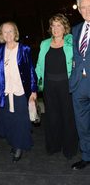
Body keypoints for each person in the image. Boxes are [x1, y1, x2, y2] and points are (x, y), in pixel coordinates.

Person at [0, 21, 37, 162]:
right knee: (8, 120)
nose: (8, 34)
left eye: (10, 31)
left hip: (21, 91)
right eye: (5, 32)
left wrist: (33, 91)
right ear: (1, 35)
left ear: (15, 33)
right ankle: (15, 142)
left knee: (20, 121)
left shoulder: (24, 49)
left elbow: (31, 71)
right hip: (5, 93)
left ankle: (18, 147)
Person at [35, 14, 78, 159]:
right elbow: (39, 65)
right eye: (53, 25)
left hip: (66, 85)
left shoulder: (71, 41)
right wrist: (35, 84)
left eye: (59, 25)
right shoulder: (44, 43)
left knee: (67, 117)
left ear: (65, 27)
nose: (56, 28)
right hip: (49, 86)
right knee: (52, 117)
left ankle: (69, 148)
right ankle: (54, 145)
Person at [69, 0, 90, 170]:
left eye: (89, 7)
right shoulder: (76, 29)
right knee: (82, 124)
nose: (86, 11)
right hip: (78, 85)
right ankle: (86, 155)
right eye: (82, 8)